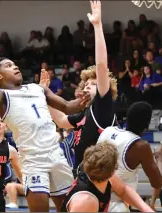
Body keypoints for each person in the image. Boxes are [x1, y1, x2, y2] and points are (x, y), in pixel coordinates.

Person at [0, 19, 87, 213]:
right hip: (33, 161)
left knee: (68, 209)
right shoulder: (2, 97)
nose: (14, 66)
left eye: (14, 64)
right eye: (8, 65)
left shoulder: (37, 88)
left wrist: (83, 101)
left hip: (57, 155)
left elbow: (67, 106)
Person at [41, 0, 117, 170]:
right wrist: (44, 93)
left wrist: (97, 26)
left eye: (93, 84)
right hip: (80, 175)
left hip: (97, 176)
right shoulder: (86, 112)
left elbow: (102, 65)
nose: (88, 86)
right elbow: (60, 121)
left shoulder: (103, 107)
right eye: (87, 84)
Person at [97, 101, 162, 212]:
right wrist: (160, 159)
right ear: (147, 124)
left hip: (94, 198)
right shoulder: (140, 146)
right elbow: (156, 182)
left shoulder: (108, 131)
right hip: (117, 204)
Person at [61, 142, 153, 212]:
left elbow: (123, 190)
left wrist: (146, 209)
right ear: (113, 171)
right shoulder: (86, 201)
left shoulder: (99, 173)